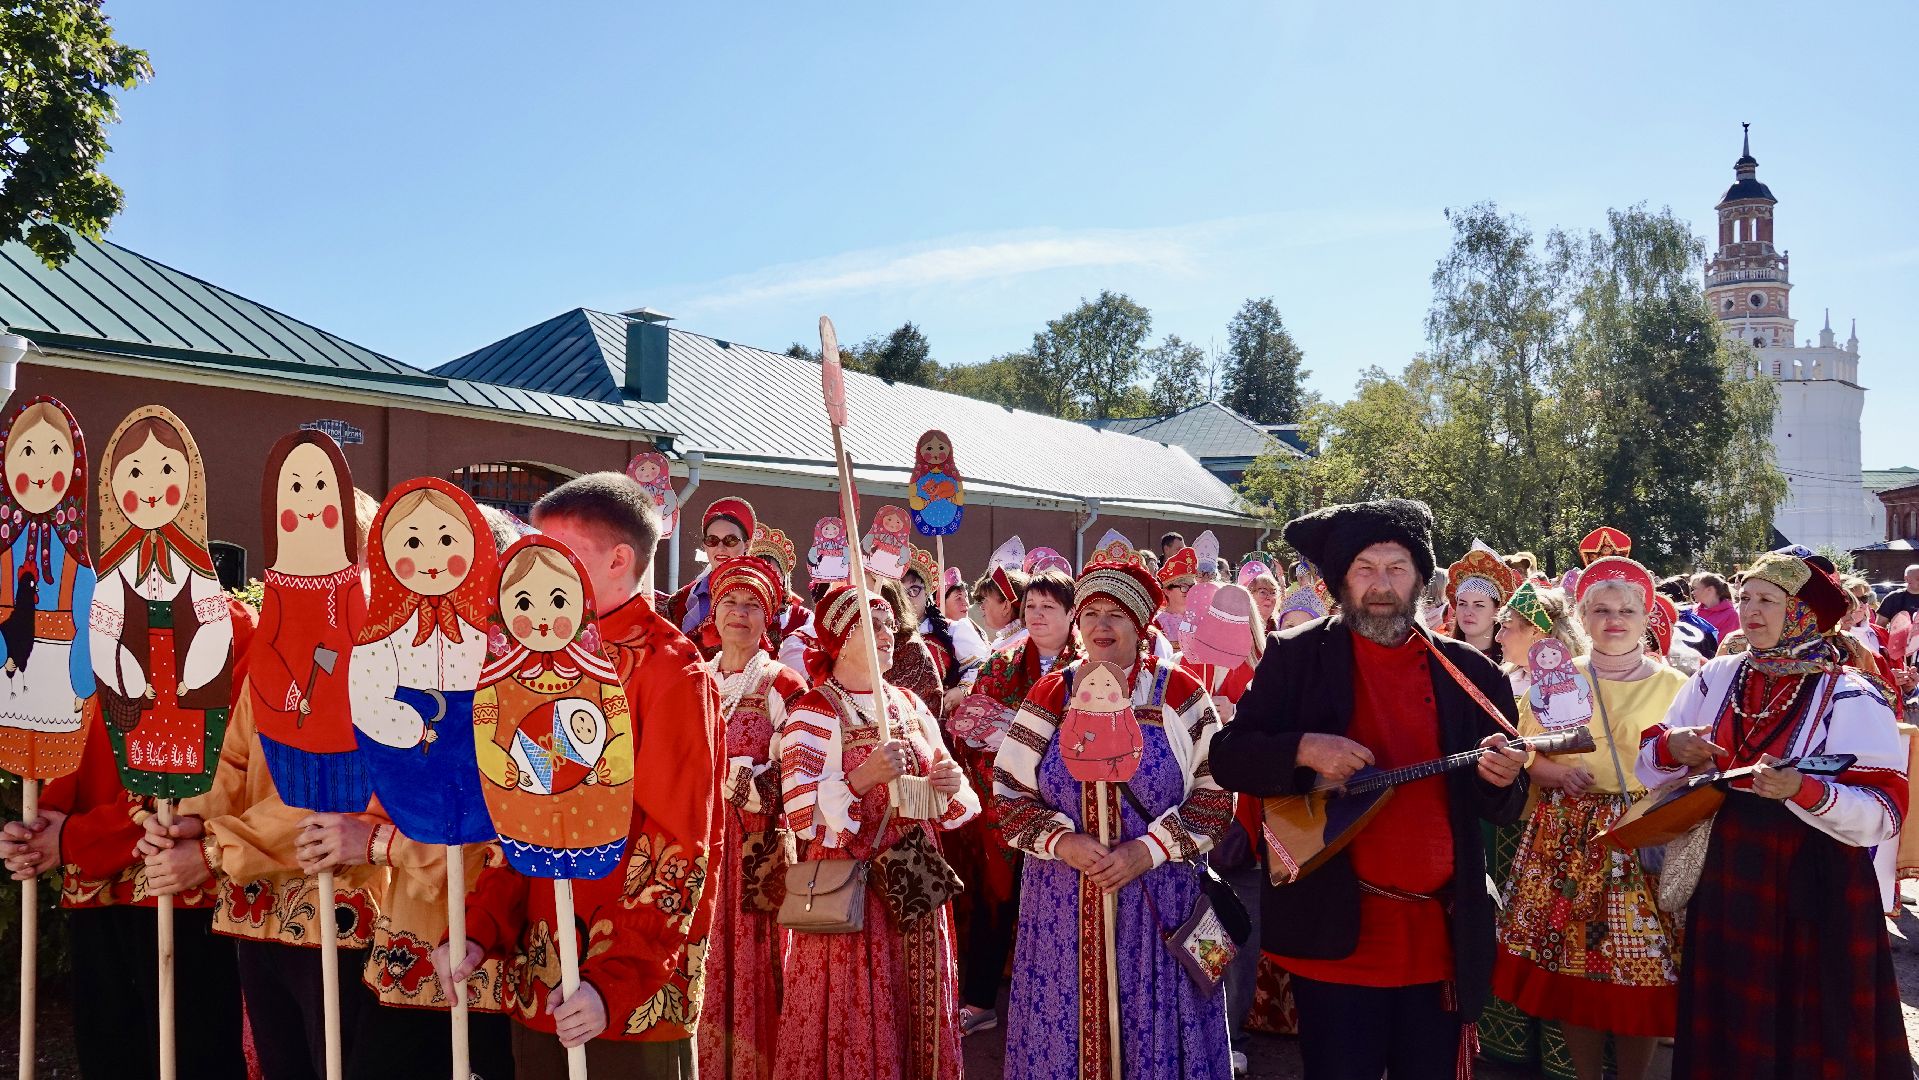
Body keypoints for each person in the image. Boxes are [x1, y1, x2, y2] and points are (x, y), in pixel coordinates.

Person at [1211, 498, 1529, 1080]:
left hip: (1438, 939)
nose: (1381, 585)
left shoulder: (1474, 673)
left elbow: (1506, 803)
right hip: (1336, 932)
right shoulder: (1297, 655)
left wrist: (1504, 780)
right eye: (1365, 568)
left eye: (1397, 568)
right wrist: (1304, 750)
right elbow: (1230, 758)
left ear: (1420, 580)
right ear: (1339, 581)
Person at [440, 472, 722, 1078]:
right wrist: (479, 927)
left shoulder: (672, 670)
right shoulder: (530, 657)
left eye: (557, 554)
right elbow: (517, 806)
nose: (535, 572)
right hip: (541, 983)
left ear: (620, 559)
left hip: (622, 998)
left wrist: (615, 979)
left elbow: (679, 842)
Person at [1639, 551, 1911, 1079]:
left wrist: (1803, 790)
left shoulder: (1850, 693)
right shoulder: (1718, 676)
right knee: (1732, 1006)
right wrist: (1675, 747)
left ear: (1804, 612)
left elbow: (1884, 811)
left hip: (1816, 878)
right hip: (1729, 869)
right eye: (1743, 598)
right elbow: (1648, 759)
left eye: (1767, 600)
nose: (1750, 611)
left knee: (1810, 1016)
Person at [993, 551, 1234, 1079]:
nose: (1101, 627)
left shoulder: (1181, 695)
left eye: (1116, 615)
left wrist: (1144, 851)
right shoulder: (1050, 696)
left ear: (1141, 624)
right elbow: (1008, 793)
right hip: (1062, 906)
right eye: (1090, 614)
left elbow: (1217, 798)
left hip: (1159, 905)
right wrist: (1064, 843)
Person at [2, 598, 253, 1080]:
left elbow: (218, 771)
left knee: (197, 1054)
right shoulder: (87, 623)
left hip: (185, 888)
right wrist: (36, 828)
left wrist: (75, 837)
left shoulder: (230, 626)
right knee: (110, 1053)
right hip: (97, 893)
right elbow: (62, 735)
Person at [775, 583, 978, 1080]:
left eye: (890, 624)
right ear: (841, 639)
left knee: (920, 995)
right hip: (853, 883)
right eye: (874, 625)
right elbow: (801, 813)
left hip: (914, 871)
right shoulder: (814, 710)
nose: (889, 635)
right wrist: (865, 775)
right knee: (854, 1002)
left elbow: (949, 802)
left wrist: (947, 781)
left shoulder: (908, 703)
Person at [1492, 557, 1682, 1080]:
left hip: (1641, 837)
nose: (1614, 619)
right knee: (1573, 969)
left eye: (1626, 609)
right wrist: (1555, 774)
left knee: (1640, 972)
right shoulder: (1556, 678)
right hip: (1568, 836)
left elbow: (1696, 765)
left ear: (1648, 618)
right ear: (1582, 617)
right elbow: (1527, 751)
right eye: (1600, 608)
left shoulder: (1677, 686)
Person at [949, 567, 1079, 1038]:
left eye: (1049, 607)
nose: (1038, 615)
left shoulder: (1090, 667)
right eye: (1031, 607)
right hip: (1005, 805)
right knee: (995, 901)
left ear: (1071, 613)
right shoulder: (1001, 662)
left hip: (1073, 812)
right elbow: (971, 726)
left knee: (1062, 908)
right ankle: (981, 1001)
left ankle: (1061, 1002)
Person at [701, 557, 806, 1080]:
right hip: (699, 846)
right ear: (713, 613)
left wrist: (739, 784)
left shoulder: (782, 684)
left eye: (752, 606)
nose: (739, 614)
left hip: (756, 852)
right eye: (730, 604)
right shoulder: (696, 679)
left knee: (755, 964)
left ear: (769, 619)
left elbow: (801, 771)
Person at [667, 495, 757, 655]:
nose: (720, 547)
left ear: (747, 545)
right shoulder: (681, 599)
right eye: (712, 540)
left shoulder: (760, 597)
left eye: (730, 540)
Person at [1444, 544, 1517, 662]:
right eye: (1462, 603)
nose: (1468, 612)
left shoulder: (1512, 664)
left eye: (1478, 605)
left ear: (1498, 609)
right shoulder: (1441, 656)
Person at [971, 562, 1028, 655]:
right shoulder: (1004, 641)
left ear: (1006, 606)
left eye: (986, 600)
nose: (982, 606)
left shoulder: (1023, 641)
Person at [1154, 546, 1198, 649]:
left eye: (1192, 586)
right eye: (1183, 586)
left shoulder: (1200, 619)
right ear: (1167, 591)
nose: (1189, 591)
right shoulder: (1159, 623)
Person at [1688, 571, 1739, 639]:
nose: (1692, 592)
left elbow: (1726, 645)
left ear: (1710, 589)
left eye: (1695, 588)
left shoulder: (1730, 615)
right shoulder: (1692, 611)